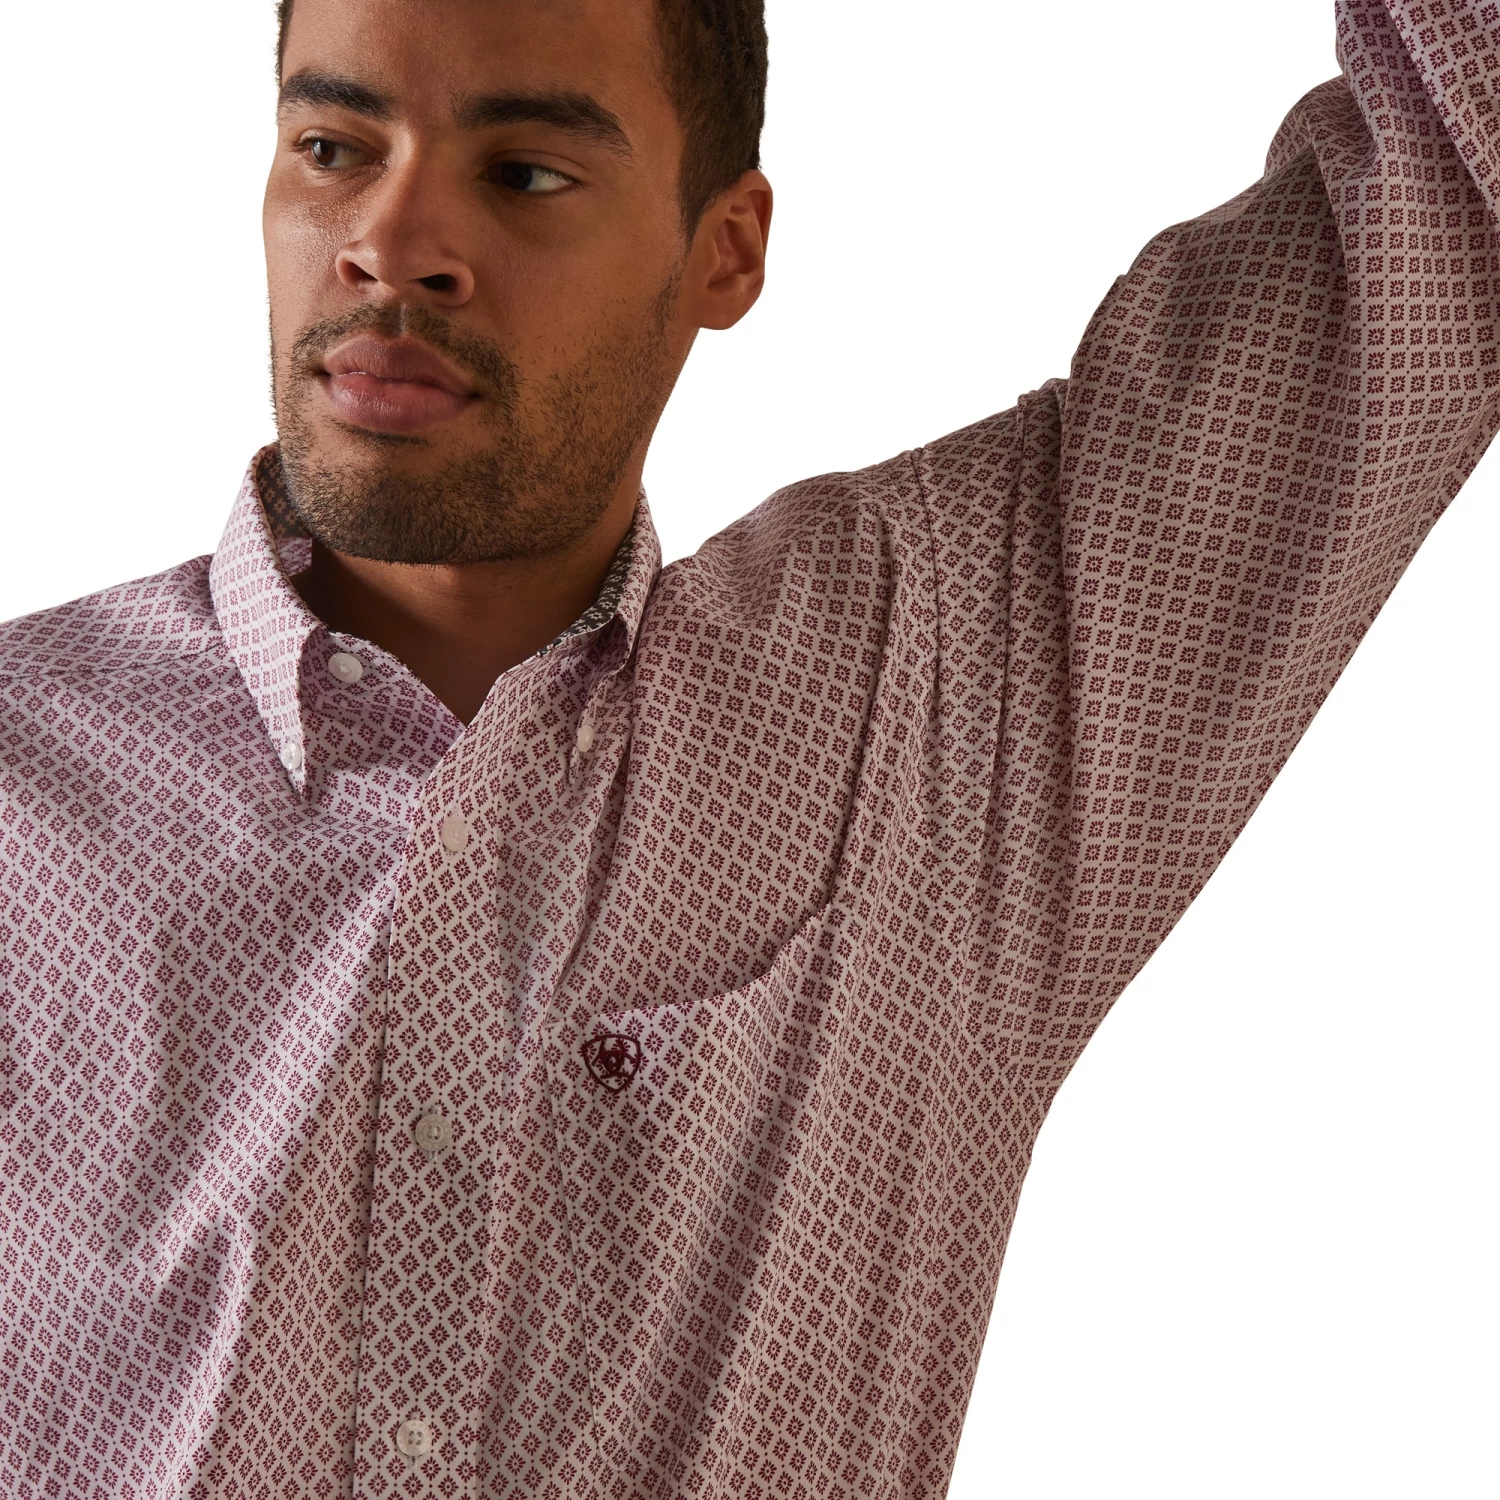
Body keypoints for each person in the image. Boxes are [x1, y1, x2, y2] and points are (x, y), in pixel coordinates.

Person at [0, 0, 1494, 1495]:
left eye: (525, 172)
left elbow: (1450, 184)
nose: (390, 245)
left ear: (726, 250)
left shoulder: (947, 695)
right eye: (333, 147)